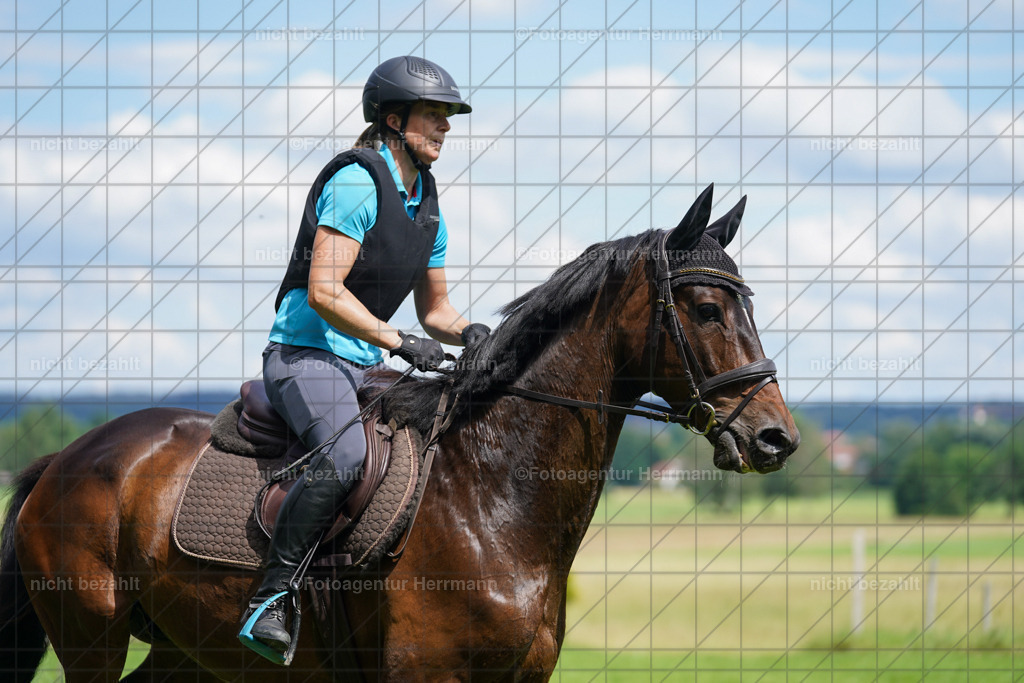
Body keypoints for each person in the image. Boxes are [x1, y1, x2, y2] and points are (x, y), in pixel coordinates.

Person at [238, 55, 491, 663]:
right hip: (303, 356)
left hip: (363, 364)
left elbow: (437, 313)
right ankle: (270, 599)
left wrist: (476, 333)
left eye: (448, 117)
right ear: (394, 118)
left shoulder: (428, 203)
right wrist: (398, 342)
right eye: (435, 116)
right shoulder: (356, 181)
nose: (447, 128)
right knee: (347, 453)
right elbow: (325, 292)